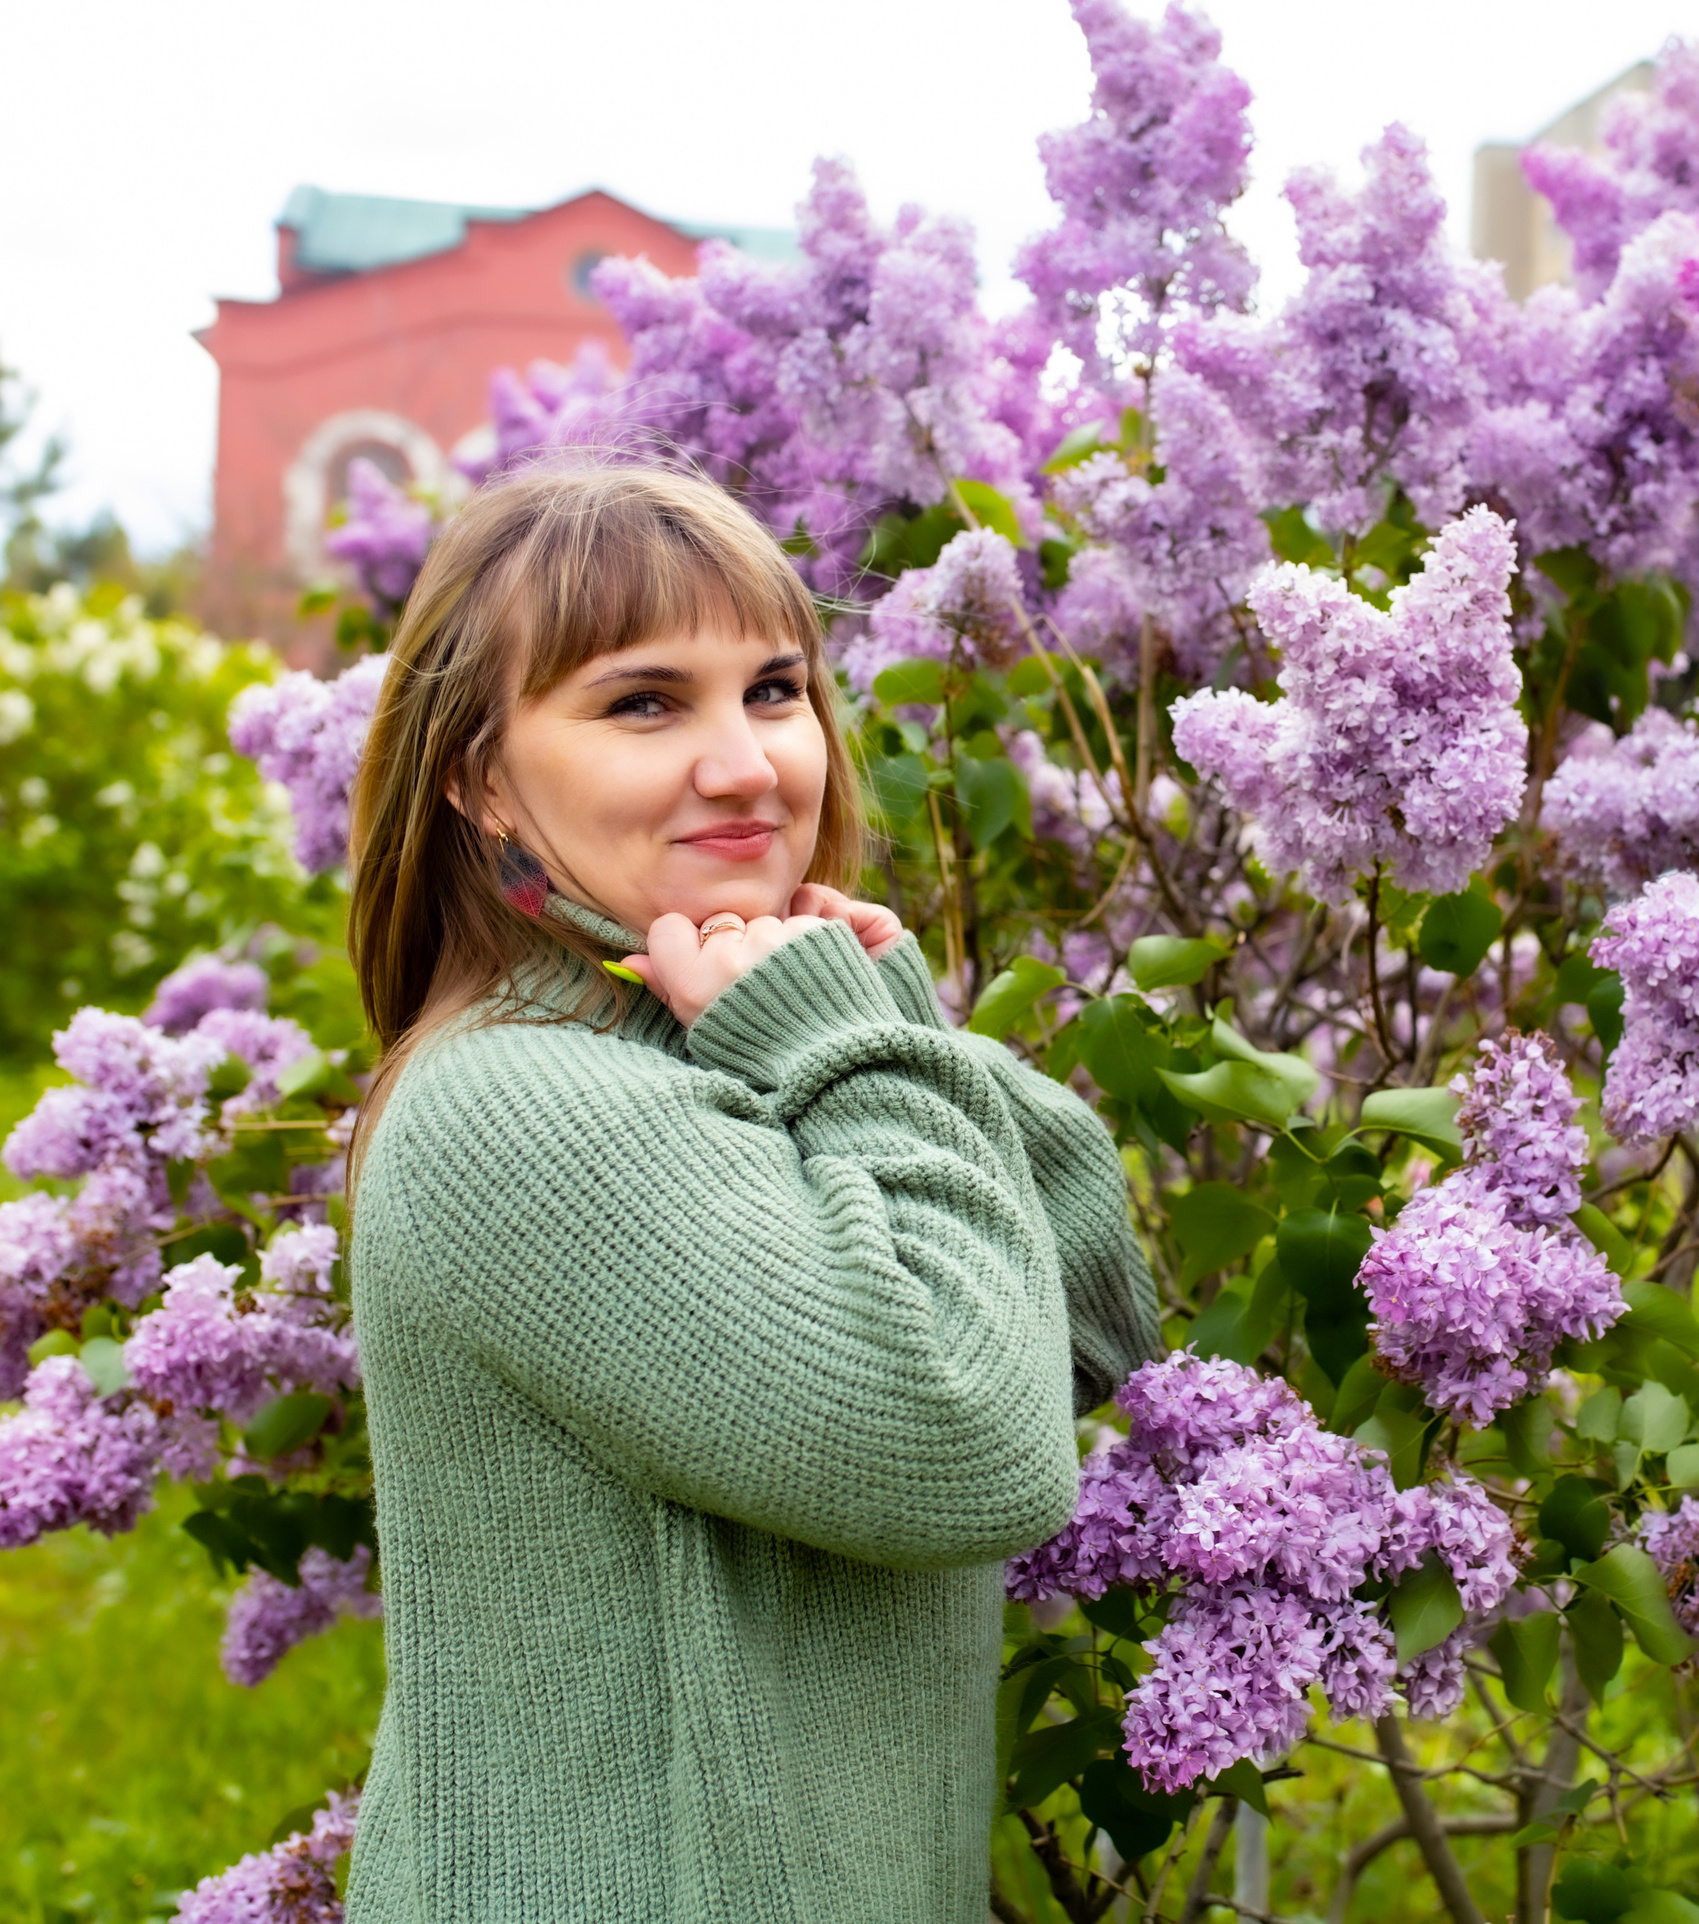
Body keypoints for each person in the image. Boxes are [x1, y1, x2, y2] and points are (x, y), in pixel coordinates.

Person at [342, 461, 1157, 1920]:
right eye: (644, 702)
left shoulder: (722, 1047)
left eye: (775, 691)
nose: (749, 765)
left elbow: (1090, 1311)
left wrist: (869, 1021)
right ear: (478, 779)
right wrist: (855, 1047)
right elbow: (982, 1442)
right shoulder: (521, 1104)